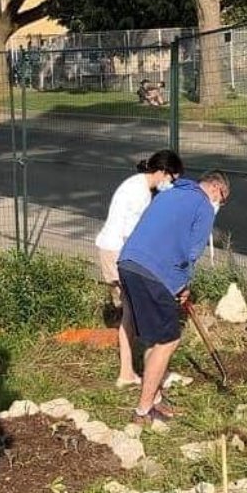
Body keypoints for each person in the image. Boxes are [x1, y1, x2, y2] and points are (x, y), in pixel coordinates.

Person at [118, 170, 230, 423]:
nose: (219, 205)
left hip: (128, 262)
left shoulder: (171, 192)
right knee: (168, 341)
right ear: (215, 189)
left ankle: (155, 399)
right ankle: (143, 410)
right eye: (222, 200)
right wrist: (182, 284)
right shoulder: (203, 206)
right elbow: (191, 252)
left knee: (155, 338)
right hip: (154, 271)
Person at [94, 150, 185, 387]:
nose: (171, 184)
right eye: (172, 179)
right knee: (142, 310)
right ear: (163, 172)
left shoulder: (138, 186)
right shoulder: (139, 193)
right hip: (118, 253)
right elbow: (134, 235)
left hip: (114, 250)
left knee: (131, 313)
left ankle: (128, 371)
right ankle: (154, 369)